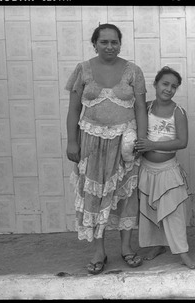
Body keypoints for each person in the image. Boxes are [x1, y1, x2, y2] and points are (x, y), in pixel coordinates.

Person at [65, 24, 146, 274]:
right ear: (95, 44)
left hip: (125, 143)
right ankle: (99, 251)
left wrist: (142, 139)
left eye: (114, 42)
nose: (110, 46)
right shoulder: (83, 69)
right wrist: (72, 141)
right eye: (104, 42)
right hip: (91, 143)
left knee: (126, 196)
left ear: (120, 44)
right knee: (95, 196)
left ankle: (126, 248)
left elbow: (141, 108)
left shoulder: (133, 70)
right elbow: (74, 110)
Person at [135, 66, 195, 269]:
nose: (169, 89)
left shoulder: (178, 112)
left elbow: (182, 142)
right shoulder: (145, 107)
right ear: (155, 84)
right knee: (150, 211)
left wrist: (153, 145)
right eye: (165, 84)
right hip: (146, 169)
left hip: (168, 171)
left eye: (174, 86)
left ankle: (183, 253)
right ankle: (158, 245)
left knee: (173, 212)